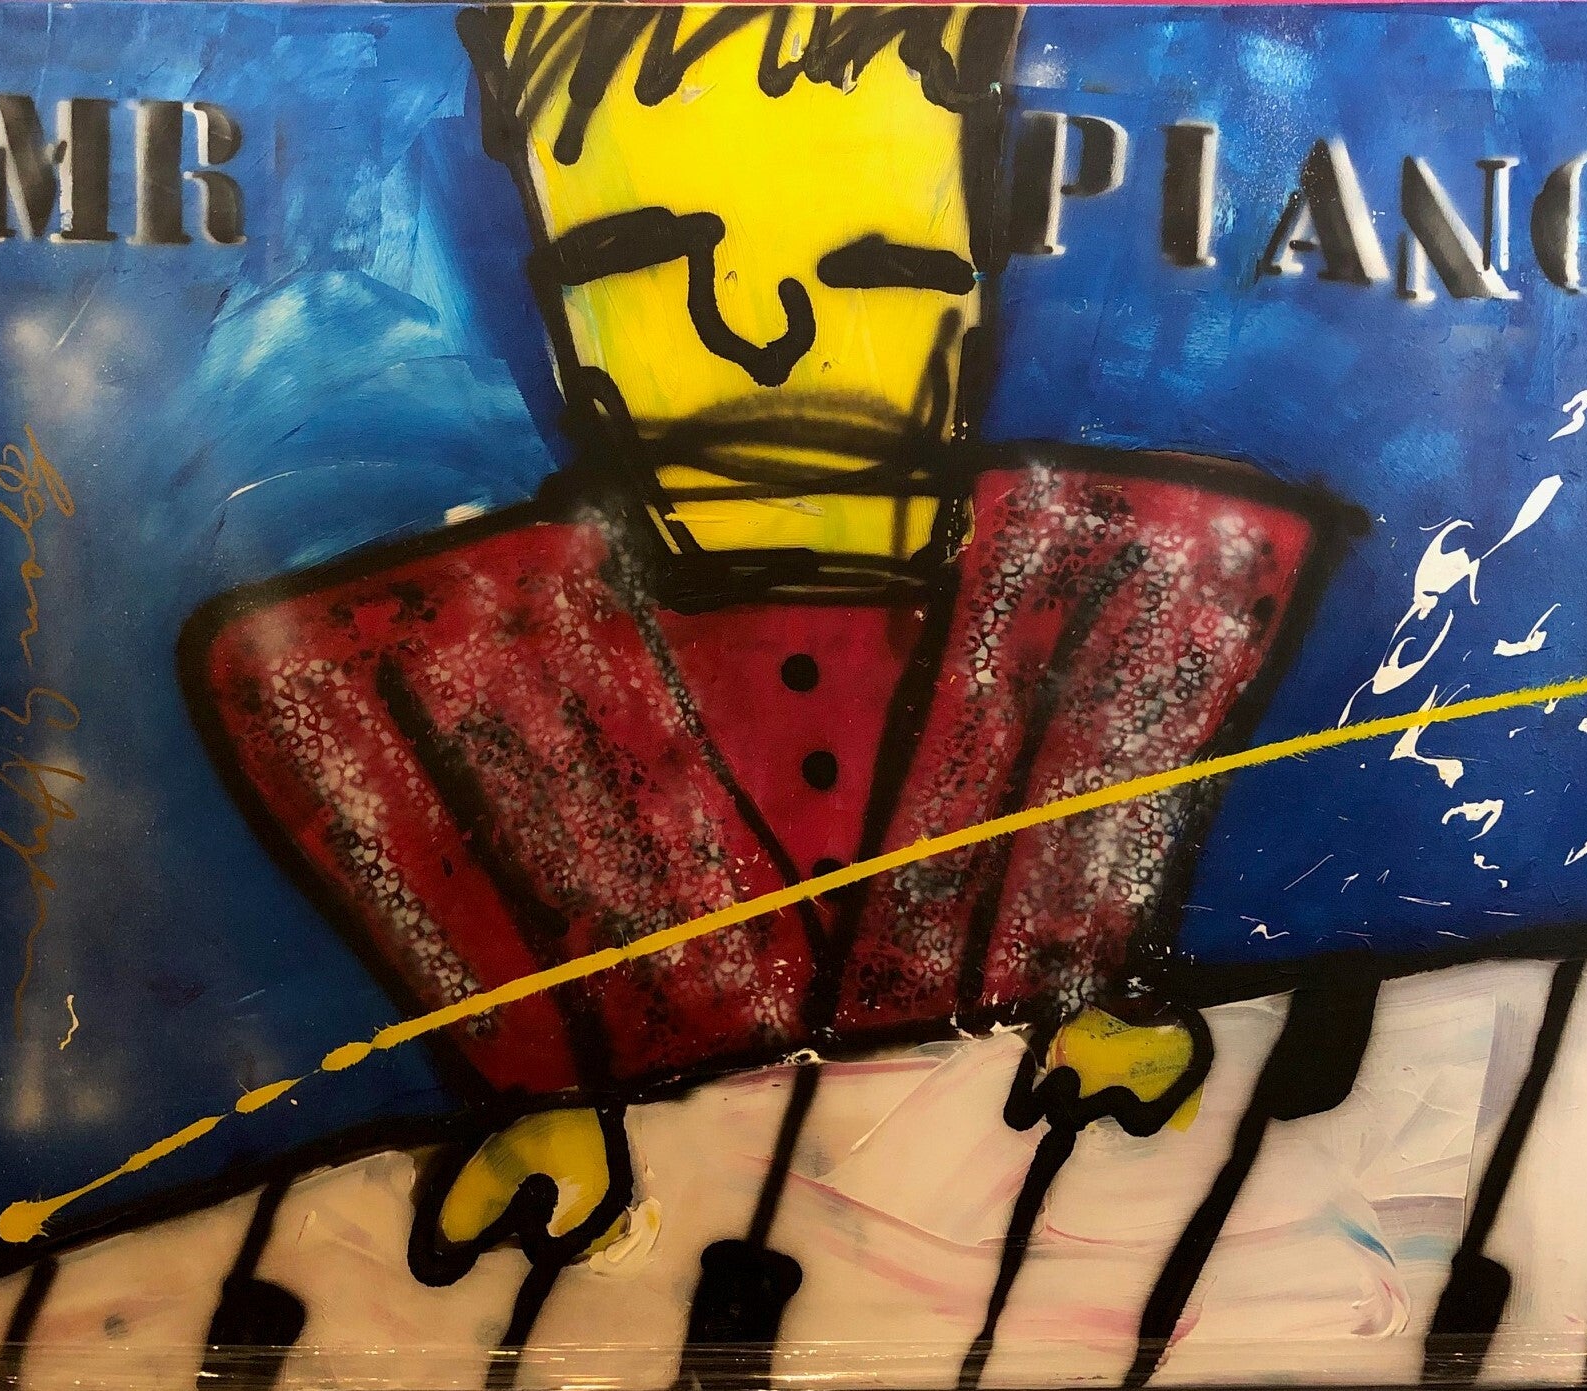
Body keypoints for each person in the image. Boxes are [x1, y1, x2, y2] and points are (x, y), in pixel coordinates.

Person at [180, 5, 1347, 1376]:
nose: (761, 329)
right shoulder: (381, 685)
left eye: (872, 272)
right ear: (565, 321)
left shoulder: (1148, 596)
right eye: (640, 265)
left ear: (969, 304)